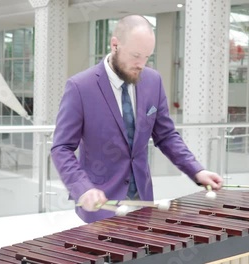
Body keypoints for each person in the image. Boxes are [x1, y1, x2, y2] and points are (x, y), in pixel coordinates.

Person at [51, 15, 223, 223]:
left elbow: (166, 135)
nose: (141, 64)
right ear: (115, 45)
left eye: (147, 57)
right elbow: (61, 148)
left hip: (143, 203)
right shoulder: (80, 87)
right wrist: (82, 188)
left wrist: (197, 170)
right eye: (136, 55)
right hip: (100, 208)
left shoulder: (153, 81)